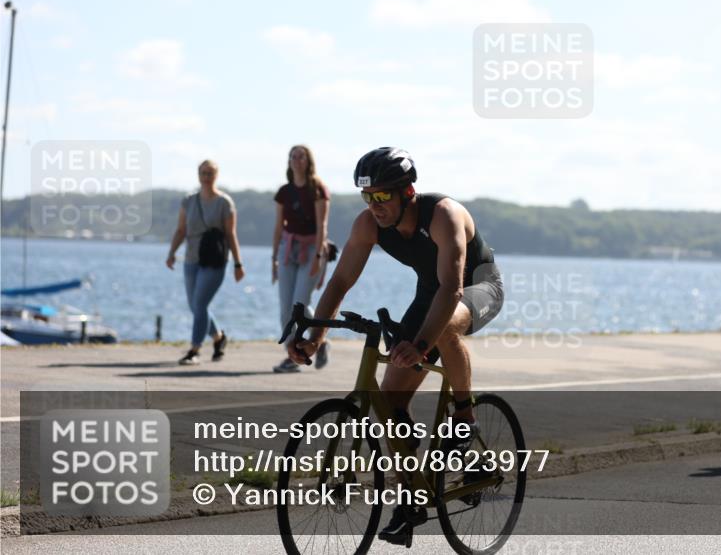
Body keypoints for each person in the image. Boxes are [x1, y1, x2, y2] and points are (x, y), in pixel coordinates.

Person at [287, 147, 504, 546]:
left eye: (383, 196)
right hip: (431, 291)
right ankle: (411, 499)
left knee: (442, 330)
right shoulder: (369, 224)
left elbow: (453, 288)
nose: (375, 206)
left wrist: (419, 345)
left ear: (408, 192)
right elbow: (339, 282)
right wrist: (316, 337)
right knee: (391, 402)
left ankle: (465, 416)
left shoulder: (444, 215)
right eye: (367, 198)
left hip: (476, 286)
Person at [166, 160, 245, 365]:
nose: (206, 177)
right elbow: (181, 230)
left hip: (215, 261)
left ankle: (195, 349)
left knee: (200, 304)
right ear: (198, 175)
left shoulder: (224, 203)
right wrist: (172, 252)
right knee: (195, 307)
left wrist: (238, 263)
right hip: (191, 259)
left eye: (210, 173)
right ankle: (218, 338)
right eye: (203, 173)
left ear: (216, 175)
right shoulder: (189, 201)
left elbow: (230, 234)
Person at [272, 145, 332, 373]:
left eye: (301, 156)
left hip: (312, 248)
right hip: (288, 248)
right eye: (293, 156)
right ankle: (293, 352)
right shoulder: (284, 192)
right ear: (289, 161)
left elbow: (322, 226)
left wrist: (318, 256)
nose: (297, 160)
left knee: (299, 302)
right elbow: (278, 227)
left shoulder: (318, 189)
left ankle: (317, 339)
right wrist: (273, 259)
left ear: (308, 161)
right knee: (285, 308)